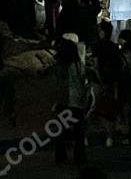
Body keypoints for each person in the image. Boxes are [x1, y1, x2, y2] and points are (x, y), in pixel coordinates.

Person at [54, 33, 87, 165]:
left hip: (62, 100)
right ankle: (80, 157)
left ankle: (60, 158)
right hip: (77, 101)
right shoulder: (78, 63)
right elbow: (82, 79)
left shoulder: (59, 63)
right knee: (79, 131)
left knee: (60, 131)